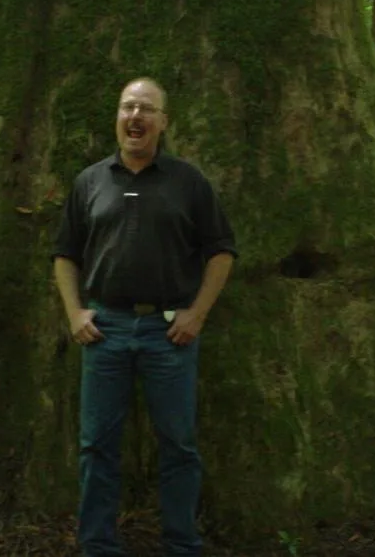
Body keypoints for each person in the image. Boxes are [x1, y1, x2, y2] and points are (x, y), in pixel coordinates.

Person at [51, 77, 237, 556]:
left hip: (168, 332)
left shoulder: (188, 181)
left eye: (147, 109)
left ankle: (180, 544)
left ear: (163, 122)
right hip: (104, 331)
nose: (136, 117)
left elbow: (221, 252)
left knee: (178, 446)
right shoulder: (90, 181)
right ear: (117, 117)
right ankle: (97, 545)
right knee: (97, 446)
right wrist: (74, 314)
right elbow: (65, 255)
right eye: (128, 108)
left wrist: (197, 314)